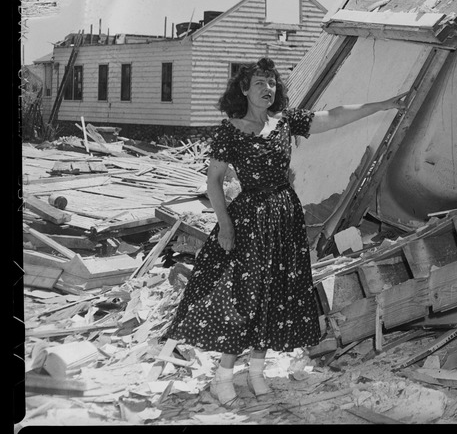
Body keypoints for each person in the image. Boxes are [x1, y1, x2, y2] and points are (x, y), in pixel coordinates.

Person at [166, 57, 407, 405]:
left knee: (274, 292)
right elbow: (214, 181)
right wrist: (225, 225)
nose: (268, 89)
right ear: (245, 90)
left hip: (284, 218)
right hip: (250, 220)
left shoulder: (285, 121)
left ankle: (256, 371)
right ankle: (222, 378)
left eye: (272, 83)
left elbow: (335, 116)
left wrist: (382, 105)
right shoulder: (230, 130)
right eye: (260, 83)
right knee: (244, 295)